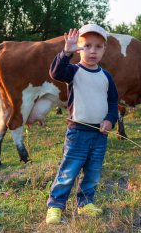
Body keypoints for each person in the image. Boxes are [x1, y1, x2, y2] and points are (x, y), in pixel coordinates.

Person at [45, 24, 118, 224]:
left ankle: (85, 203)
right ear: (79, 47)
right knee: (69, 171)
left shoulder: (106, 77)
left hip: (100, 134)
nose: (92, 51)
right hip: (77, 133)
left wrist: (110, 120)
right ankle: (55, 205)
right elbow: (55, 73)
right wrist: (65, 53)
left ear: (104, 49)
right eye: (87, 46)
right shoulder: (73, 71)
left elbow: (113, 102)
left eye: (98, 46)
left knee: (93, 172)